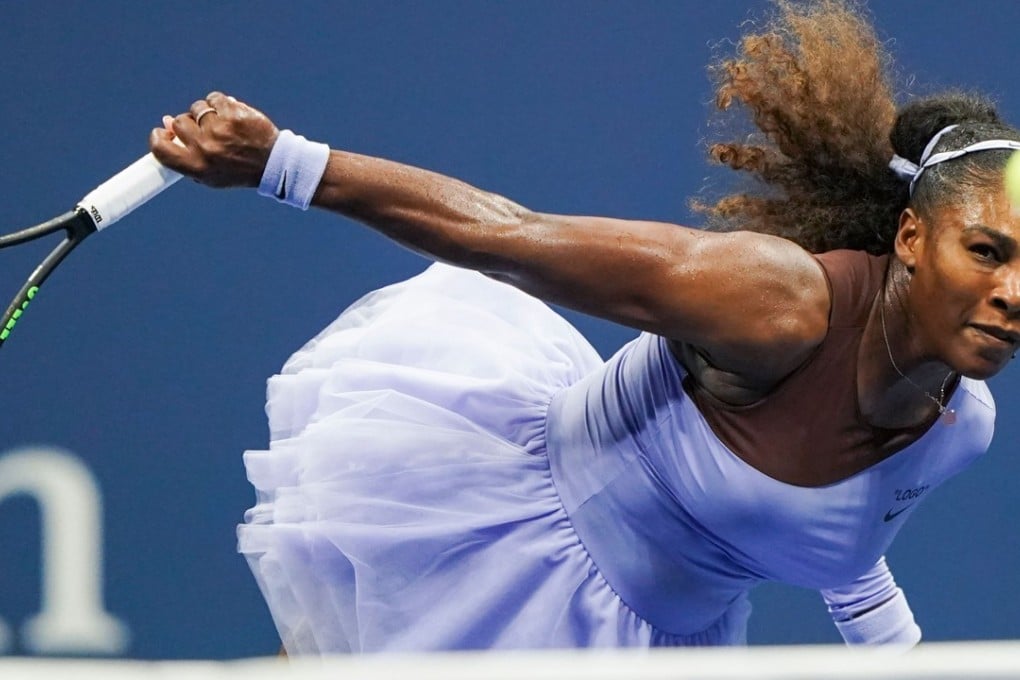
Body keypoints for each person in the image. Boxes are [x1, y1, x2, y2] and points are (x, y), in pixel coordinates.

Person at [150, 0, 1019, 654]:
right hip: (497, 555)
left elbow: (842, 532)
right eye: (987, 250)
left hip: (667, 648)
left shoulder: (959, 423)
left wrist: (902, 659)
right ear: (910, 236)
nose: (1014, 291)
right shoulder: (772, 304)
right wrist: (284, 163)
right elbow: (508, 234)